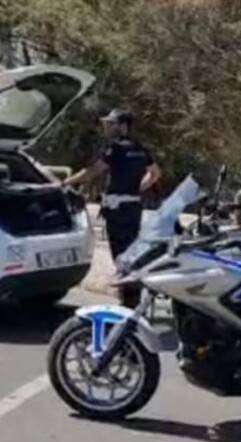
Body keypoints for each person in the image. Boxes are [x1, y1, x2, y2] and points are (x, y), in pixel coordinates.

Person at [62, 109, 162, 306]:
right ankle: (133, 299)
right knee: (131, 252)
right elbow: (155, 173)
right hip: (133, 208)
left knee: (120, 256)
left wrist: (65, 182)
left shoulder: (114, 148)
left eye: (111, 123)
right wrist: (137, 188)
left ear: (123, 126)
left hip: (117, 211)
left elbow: (92, 172)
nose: (106, 127)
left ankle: (128, 304)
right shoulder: (140, 148)